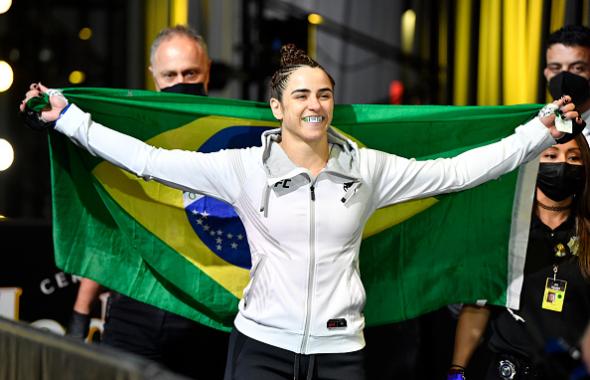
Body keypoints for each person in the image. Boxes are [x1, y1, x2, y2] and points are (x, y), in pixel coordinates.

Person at [20, 44, 583, 380]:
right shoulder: (242, 167)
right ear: (276, 106)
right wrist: (67, 118)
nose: (315, 105)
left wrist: (536, 133)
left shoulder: (368, 169)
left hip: (342, 354)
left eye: (324, 94)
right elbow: (146, 160)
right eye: (301, 95)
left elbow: (461, 172)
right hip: (260, 348)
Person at [66, 25, 227, 380]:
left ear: (208, 70)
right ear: (153, 75)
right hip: (137, 306)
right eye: (170, 74)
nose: (180, 81)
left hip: (209, 310)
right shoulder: (130, 134)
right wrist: (80, 314)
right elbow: (112, 226)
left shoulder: (233, 134)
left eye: (191, 73)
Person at [448, 24, 590, 380]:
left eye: (578, 69)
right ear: (544, 70)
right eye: (556, 69)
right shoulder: (527, 128)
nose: (565, 78)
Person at [449, 134, 590, 380]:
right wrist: (457, 371)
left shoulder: (588, 233)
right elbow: (477, 307)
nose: (562, 165)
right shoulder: (504, 232)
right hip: (510, 371)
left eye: (573, 157)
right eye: (551, 155)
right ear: (533, 162)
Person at [544, 24, 590, 140]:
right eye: (555, 67)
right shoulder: (535, 127)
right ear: (546, 73)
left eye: (577, 68)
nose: (563, 76)